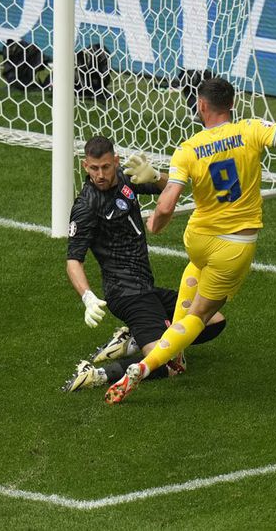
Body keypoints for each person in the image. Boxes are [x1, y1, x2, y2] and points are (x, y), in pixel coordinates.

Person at [104, 77, 276, 404]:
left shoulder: (188, 148)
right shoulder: (250, 130)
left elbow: (169, 201)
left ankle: (177, 355)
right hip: (233, 246)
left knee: (195, 269)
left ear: (201, 106)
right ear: (232, 104)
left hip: (199, 239)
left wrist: (157, 215)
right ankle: (145, 367)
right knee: (200, 315)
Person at [62, 135, 227, 393]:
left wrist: (154, 176)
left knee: (214, 321)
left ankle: (134, 339)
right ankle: (96, 374)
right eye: (94, 168)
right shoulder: (86, 206)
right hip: (126, 294)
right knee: (167, 364)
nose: (101, 174)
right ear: (85, 166)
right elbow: (73, 259)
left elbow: (170, 188)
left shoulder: (125, 179)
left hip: (146, 288)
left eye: (106, 166)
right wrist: (87, 297)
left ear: (115, 162)